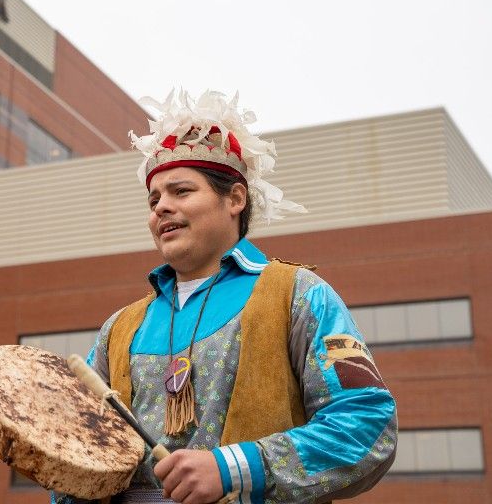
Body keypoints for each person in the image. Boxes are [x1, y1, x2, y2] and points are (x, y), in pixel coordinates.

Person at [54, 89, 397, 504]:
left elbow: (368, 425)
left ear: (235, 198)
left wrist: (235, 468)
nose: (161, 208)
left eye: (181, 191)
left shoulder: (299, 295)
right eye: (153, 199)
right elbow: (77, 459)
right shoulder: (118, 329)